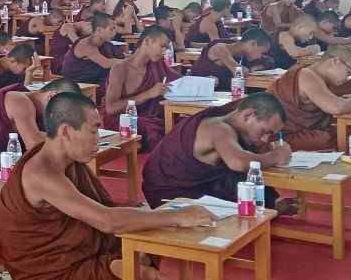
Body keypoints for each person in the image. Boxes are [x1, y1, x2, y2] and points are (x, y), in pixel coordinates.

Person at [0, 94, 213, 280]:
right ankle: (119, 268)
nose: (98, 139)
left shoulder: (62, 157)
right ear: (66, 132)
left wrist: (159, 221)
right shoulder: (42, 175)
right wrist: (175, 216)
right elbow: (107, 221)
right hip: (50, 272)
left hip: (79, 248)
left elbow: (103, 215)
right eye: (93, 131)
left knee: (151, 233)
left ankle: (120, 264)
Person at [142, 94, 292, 209]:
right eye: (265, 131)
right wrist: (275, 156)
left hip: (194, 185)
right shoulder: (219, 128)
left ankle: (270, 203)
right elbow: (238, 162)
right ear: (248, 115)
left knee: (246, 177)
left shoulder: (223, 115)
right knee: (246, 198)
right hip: (170, 194)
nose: (265, 139)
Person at [0, 78, 81, 168]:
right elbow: (33, 142)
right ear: (52, 96)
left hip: (8, 162)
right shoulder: (19, 101)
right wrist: (74, 136)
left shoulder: (33, 104)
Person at [268, 46, 351, 150]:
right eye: (349, 72)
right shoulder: (307, 75)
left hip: (300, 132)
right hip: (278, 137)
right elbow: (336, 108)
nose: (348, 78)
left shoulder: (319, 77)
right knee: (326, 140)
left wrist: (344, 101)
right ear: (335, 61)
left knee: (347, 132)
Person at [100, 26, 181, 149]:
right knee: (154, 131)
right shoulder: (120, 68)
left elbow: (177, 80)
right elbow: (111, 109)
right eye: (162, 46)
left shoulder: (157, 64)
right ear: (148, 41)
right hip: (123, 119)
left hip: (151, 117)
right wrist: (148, 94)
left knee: (185, 125)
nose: (164, 52)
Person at [59, 14, 122, 101]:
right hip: (79, 87)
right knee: (122, 88)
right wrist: (132, 60)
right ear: (99, 29)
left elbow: (122, 56)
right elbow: (106, 64)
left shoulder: (105, 44)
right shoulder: (86, 45)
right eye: (112, 29)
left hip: (96, 82)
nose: (115, 32)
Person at [190, 28, 271, 90]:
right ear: (253, 43)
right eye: (261, 52)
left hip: (224, 95)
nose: (260, 56)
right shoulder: (219, 48)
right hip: (200, 91)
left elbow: (269, 61)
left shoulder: (241, 50)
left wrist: (256, 67)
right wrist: (247, 70)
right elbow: (239, 72)